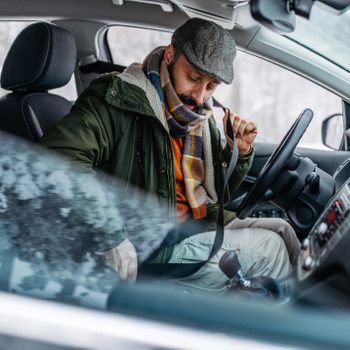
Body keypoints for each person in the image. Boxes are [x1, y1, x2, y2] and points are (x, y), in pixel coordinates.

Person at [39, 17, 300, 291]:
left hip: (198, 223)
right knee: (271, 249)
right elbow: (57, 158)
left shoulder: (201, 119)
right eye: (194, 78)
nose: (199, 96)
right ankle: (278, 328)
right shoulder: (116, 98)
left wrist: (240, 151)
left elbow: (217, 196)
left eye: (211, 86)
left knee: (284, 231)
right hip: (151, 243)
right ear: (170, 55)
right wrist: (111, 234)